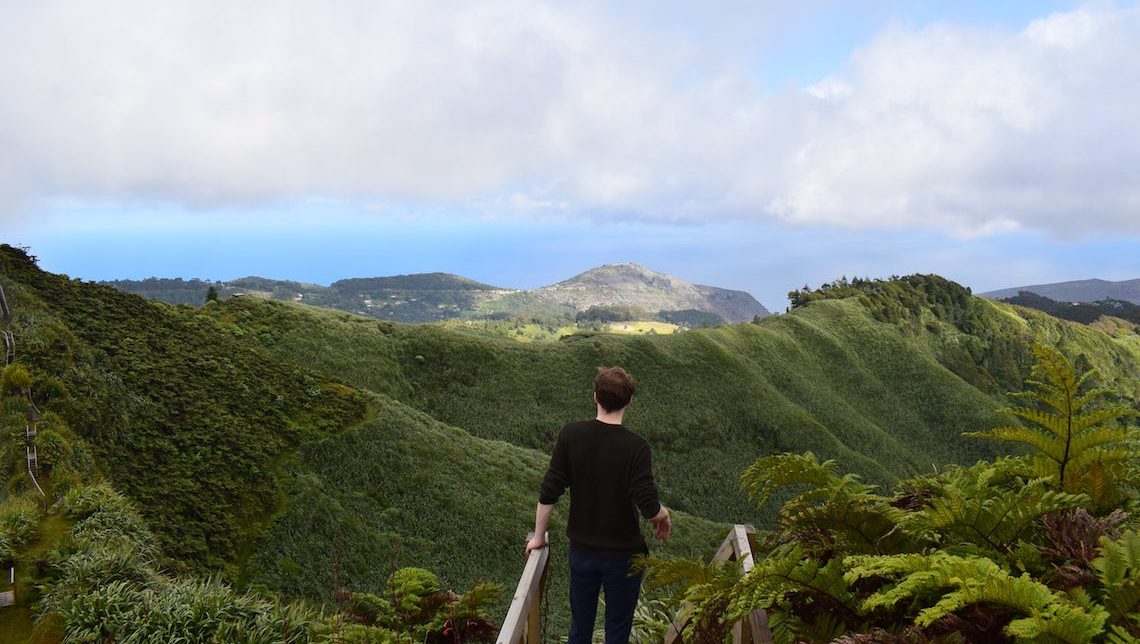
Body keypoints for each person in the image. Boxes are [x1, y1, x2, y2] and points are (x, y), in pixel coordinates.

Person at [525, 366, 671, 643]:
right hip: (624, 555)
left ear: (595, 397)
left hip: (583, 551)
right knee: (618, 630)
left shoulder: (571, 435)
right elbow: (649, 507)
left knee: (580, 627)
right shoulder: (637, 447)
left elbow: (549, 492)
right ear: (630, 402)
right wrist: (665, 516)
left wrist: (540, 536)